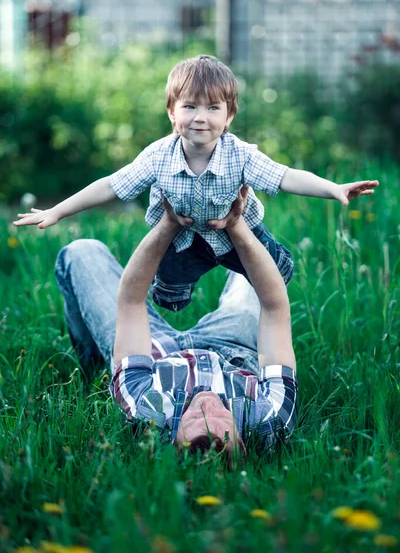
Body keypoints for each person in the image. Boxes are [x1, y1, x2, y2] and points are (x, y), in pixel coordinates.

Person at [16, 55, 378, 312]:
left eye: (212, 108)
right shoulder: (158, 155)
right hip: (183, 238)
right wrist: (58, 211)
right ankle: (176, 290)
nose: (200, 118)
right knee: (170, 300)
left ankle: (245, 279)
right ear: (172, 112)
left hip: (238, 233)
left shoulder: (241, 155)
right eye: (189, 107)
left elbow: (285, 177)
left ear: (229, 115)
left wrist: (333, 188)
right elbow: (112, 185)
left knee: (280, 276)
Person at [55, 188, 297, 457]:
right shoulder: (270, 417)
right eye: (220, 422)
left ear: (171, 438)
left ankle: (95, 365)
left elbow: (131, 301)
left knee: (81, 252)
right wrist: (236, 225)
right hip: (233, 348)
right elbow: (275, 307)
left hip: (154, 352)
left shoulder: (146, 409)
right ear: (240, 441)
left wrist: (168, 224)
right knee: (268, 269)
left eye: (193, 421)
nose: (206, 405)